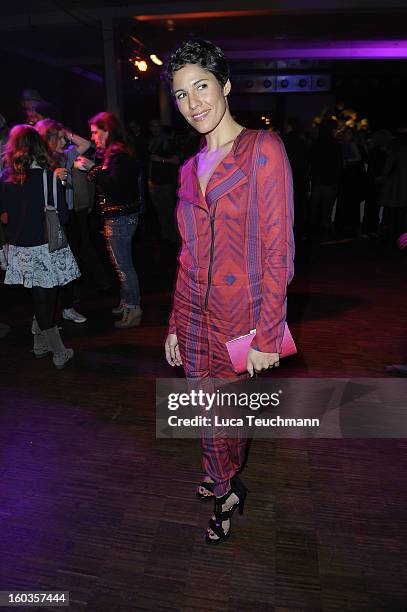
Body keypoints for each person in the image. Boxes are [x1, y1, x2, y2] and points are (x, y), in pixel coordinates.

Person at [164, 40, 294, 543]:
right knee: (211, 407)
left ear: (226, 86)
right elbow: (187, 257)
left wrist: (269, 332)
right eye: (180, 94)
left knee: (218, 409)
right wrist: (175, 322)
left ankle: (225, 490)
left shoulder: (262, 148)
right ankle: (221, 469)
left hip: (241, 316)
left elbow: (277, 246)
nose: (193, 103)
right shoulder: (187, 169)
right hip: (195, 313)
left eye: (201, 86)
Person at [0, 125, 80, 368]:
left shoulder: (7, 180)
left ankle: (39, 343)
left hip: (21, 248)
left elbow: (3, 217)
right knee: (47, 296)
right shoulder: (50, 178)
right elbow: (63, 217)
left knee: (38, 297)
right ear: (39, 147)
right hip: (48, 245)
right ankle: (58, 351)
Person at [76, 112, 142, 328]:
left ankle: (133, 309)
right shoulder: (115, 152)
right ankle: (126, 303)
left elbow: (115, 185)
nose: (93, 137)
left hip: (120, 218)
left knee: (124, 266)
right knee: (121, 264)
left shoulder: (119, 154)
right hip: (120, 217)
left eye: (96, 132)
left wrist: (91, 169)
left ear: (108, 131)